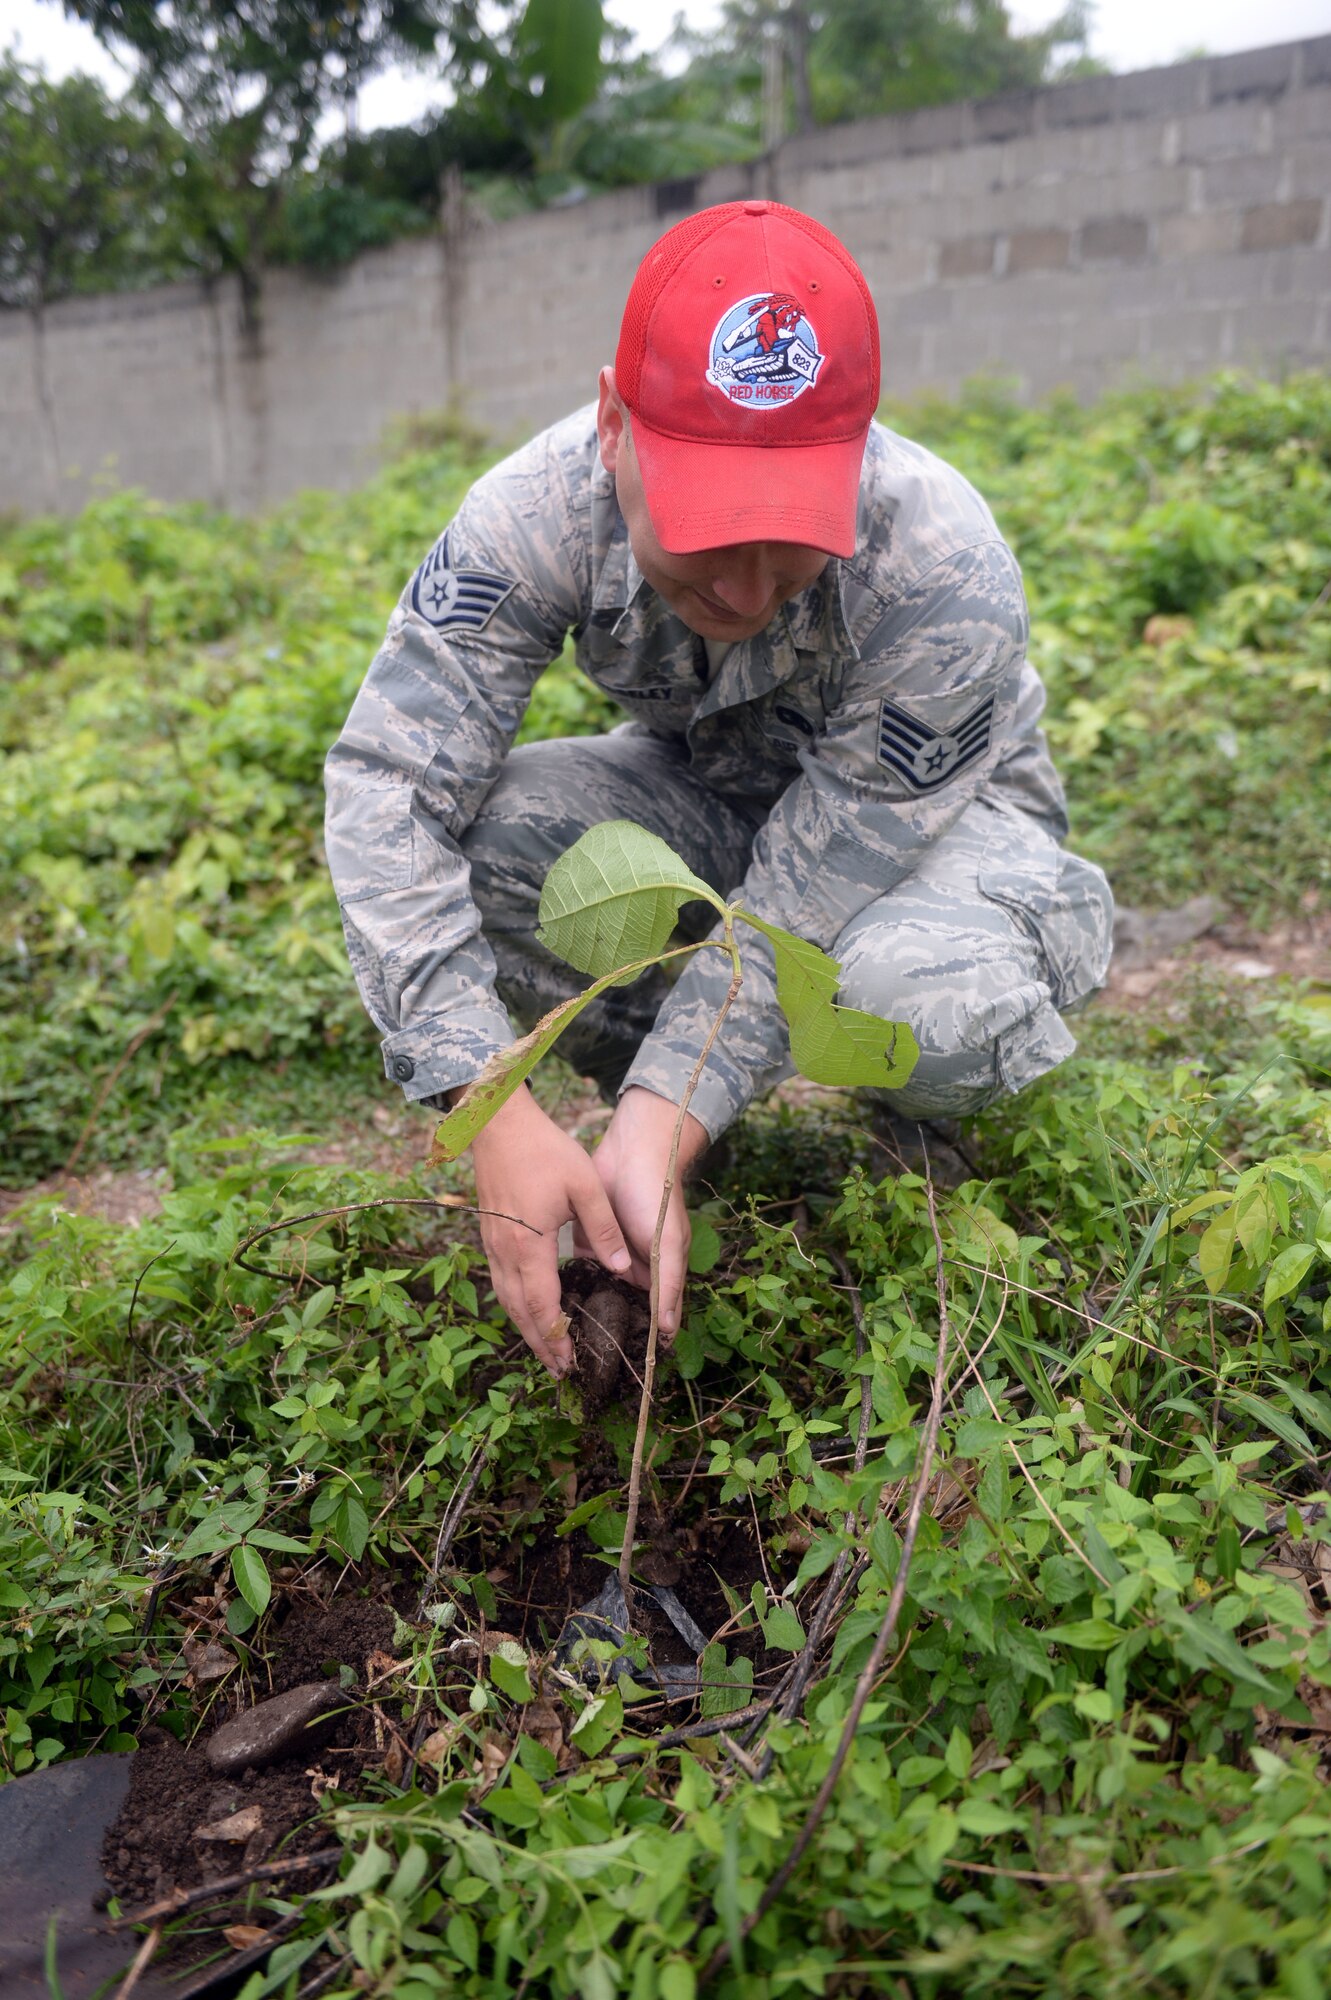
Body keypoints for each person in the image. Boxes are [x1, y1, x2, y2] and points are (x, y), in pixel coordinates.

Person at [324, 199, 1113, 1378]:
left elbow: (815, 884)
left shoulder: (942, 569)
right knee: (500, 845)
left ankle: (932, 1103)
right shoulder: (531, 514)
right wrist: (488, 1104)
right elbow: (390, 785)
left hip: (928, 838)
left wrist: (664, 1102)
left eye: (786, 531)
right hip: (716, 800)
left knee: (901, 981)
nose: (744, 588)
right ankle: (689, 1137)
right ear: (611, 424)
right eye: (706, 528)